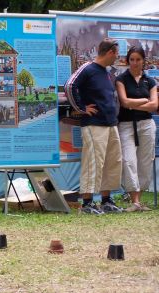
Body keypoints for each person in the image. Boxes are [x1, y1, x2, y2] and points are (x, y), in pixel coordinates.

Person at [65, 38, 123, 214]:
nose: (117, 58)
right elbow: (70, 86)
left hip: (111, 123)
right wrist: (81, 108)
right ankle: (87, 203)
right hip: (94, 124)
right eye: (116, 55)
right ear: (111, 52)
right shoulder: (88, 68)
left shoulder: (105, 72)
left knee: (113, 162)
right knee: (93, 162)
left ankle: (106, 200)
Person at [115, 46, 158, 212]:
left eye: (138, 59)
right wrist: (144, 100)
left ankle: (139, 201)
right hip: (126, 125)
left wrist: (135, 104)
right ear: (127, 61)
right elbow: (124, 102)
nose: (134, 63)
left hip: (146, 125)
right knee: (129, 161)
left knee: (145, 162)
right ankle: (134, 201)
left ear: (143, 61)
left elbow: (154, 105)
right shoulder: (121, 79)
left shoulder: (150, 81)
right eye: (131, 59)